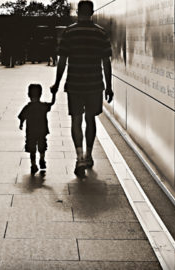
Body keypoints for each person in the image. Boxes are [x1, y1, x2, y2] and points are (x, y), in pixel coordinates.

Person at [50, 0, 113, 178]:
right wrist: (109, 86)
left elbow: (62, 60)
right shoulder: (101, 33)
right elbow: (106, 62)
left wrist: (56, 83)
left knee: (76, 121)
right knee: (91, 119)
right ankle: (89, 155)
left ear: (78, 12)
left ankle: (79, 157)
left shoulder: (69, 32)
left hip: (75, 84)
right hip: (94, 84)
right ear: (92, 12)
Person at [18, 84, 56, 175]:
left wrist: (21, 124)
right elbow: (52, 103)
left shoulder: (27, 107)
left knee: (32, 148)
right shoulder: (43, 106)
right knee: (42, 146)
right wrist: (54, 94)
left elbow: (22, 117)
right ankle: (42, 160)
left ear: (28, 95)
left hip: (31, 132)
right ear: (41, 94)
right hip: (42, 131)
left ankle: (33, 165)